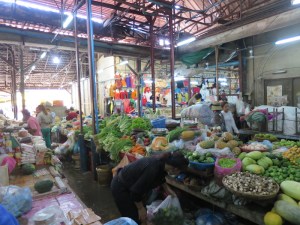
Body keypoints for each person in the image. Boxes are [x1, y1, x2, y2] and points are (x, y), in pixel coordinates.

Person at [111, 151, 188, 225]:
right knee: (133, 218)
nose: (179, 174)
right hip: (121, 187)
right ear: (175, 169)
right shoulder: (153, 169)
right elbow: (135, 192)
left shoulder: (163, 163)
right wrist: (140, 208)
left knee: (142, 217)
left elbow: (161, 177)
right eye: (180, 171)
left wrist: (167, 189)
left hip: (132, 186)